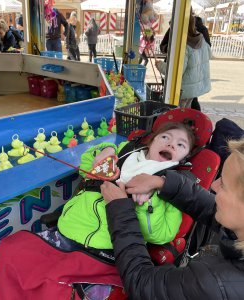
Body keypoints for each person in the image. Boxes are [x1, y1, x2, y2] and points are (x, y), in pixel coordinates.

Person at [101, 138, 244, 299]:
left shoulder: (215, 284)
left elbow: (141, 284)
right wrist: (162, 182)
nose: (213, 186)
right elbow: (211, 207)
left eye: (224, 185)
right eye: (164, 137)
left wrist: (119, 208)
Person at [38, 122, 195, 251]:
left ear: (185, 157)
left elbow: (162, 235)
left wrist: (146, 206)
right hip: (67, 226)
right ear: (152, 140)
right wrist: (106, 149)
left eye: (181, 145)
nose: (171, 144)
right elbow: (86, 164)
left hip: (104, 248)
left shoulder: (173, 185)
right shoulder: (126, 150)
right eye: (165, 137)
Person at [155, 12, 211, 108]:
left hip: (183, 89)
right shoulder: (201, 38)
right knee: (186, 112)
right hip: (194, 87)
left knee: (179, 114)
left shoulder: (183, 46)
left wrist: (160, 65)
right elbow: (209, 55)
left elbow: (176, 72)